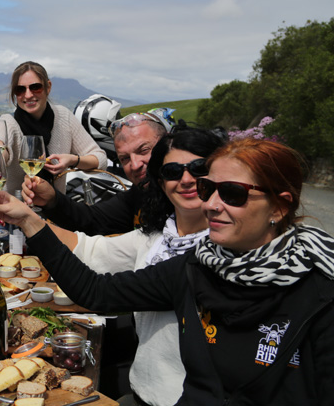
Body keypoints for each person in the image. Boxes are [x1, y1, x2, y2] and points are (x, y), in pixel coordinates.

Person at [0, 138, 334, 405]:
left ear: (279, 206)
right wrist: (27, 219)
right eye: (209, 189)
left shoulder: (320, 291)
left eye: (232, 194)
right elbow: (97, 292)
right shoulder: (197, 265)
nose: (212, 204)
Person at [39, 128, 225, 406]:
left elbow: (97, 292)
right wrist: (25, 217)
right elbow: (89, 248)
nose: (186, 179)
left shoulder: (229, 252)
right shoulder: (154, 238)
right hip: (144, 392)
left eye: (198, 168)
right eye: (173, 171)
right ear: (160, 182)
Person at [23, 111, 170, 236]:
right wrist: (51, 200)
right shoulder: (137, 195)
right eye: (124, 159)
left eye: (144, 150)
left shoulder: (186, 195)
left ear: (168, 143)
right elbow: (91, 219)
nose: (135, 164)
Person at [0, 61, 105, 194]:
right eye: (20, 89)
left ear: (48, 87)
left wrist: (72, 160)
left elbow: (100, 159)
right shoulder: (7, 122)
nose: (28, 95)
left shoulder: (63, 117)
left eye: (35, 87)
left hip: (55, 209)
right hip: (14, 210)